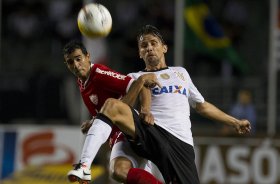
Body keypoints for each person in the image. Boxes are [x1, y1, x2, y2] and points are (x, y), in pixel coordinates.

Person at [91, 25, 251, 184]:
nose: (149, 48)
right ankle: (85, 164)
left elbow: (202, 106)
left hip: (180, 140)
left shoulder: (181, 73)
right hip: (151, 131)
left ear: (164, 48)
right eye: (144, 46)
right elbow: (121, 108)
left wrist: (234, 122)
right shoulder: (135, 77)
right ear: (140, 53)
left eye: (154, 43)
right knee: (118, 170)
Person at [62, 40, 163, 184]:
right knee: (119, 172)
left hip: (129, 129)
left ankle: (84, 166)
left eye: (79, 59)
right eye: (71, 62)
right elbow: (104, 112)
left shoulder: (99, 73)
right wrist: (93, 121)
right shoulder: (81, 82)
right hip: (118, 136)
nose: (76, 65)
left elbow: (139, 84)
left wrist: (146, 110)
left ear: (88, 56)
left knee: (120, 172)